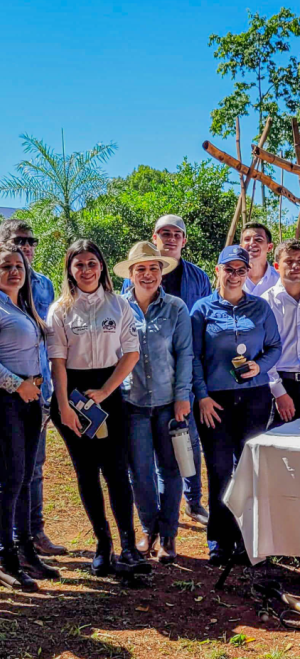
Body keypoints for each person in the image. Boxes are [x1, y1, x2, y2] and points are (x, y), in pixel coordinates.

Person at [0, 219, 65, 558]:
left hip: (33, 396)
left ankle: (28, 547)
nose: (16, 265)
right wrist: (16, 385)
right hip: (4, 398)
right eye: (6, 265)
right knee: (9, 479)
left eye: (20, 262)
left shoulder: (26, 300)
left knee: (25, 475)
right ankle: (6, 555)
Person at [48, 239, 149, 577]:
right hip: (72, 396)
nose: (86, 270)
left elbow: (131, 353)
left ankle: (128, 545)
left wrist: (106, 391)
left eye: (92, 263)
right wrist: (63, 407)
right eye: (79, 265)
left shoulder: (119, 305)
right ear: (70, 270)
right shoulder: (60, 309)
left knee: (117, 472)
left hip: (109, 396)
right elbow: (58, 362)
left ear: (102, 266)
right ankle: (102, 544)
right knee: (86, 473)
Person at [190, 245, 282, 566]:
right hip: (214, 402)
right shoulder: (201, 310)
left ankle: (249, 541)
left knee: (250, 471)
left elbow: (275, 346)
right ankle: (219, 539)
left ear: (247, 273)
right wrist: (201, 396)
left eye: (241, 270)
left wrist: (259, 366)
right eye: (228, 269)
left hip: (254, 399)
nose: (234, 275)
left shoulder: (260, 308)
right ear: (217, 271)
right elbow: (194, 358)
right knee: (219, 472)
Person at [122, 214, 210, 527]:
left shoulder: (197, 278)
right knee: (143, 464)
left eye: (177, 234)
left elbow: (199, 331)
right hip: (138, 386)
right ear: (155, 237)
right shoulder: (126, 293)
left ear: (184, 240)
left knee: (186, 446)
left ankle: (194, 500)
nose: (171, 238)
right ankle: (152, 525)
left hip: (184, 376)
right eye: (164, 233)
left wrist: (191, 388)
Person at [117, 241, 193, 564]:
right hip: (132, 403)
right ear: (131, 274)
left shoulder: (176, 308)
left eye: (153, 268)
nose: (147, 275)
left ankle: (169, 534)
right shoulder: (118, 307)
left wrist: (182, 396)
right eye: (140, 269)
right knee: (140, 473)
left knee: (171, 469)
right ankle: (149, 527)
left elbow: (185, 354)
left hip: (167, 403)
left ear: (161, 272)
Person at [262, 239, 300, 426]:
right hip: (280, 386)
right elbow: (262, 351)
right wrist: (279, 392)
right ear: (277, 266)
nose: (295, 266)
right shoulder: (265, 303)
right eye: (289, 261)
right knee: (277, 450)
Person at [241, 222, 278, 297]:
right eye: (247, 239)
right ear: (241, 247)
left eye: (258, 239)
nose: (252, 243)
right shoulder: (232, 279)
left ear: (269, 247)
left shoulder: (280, 280)